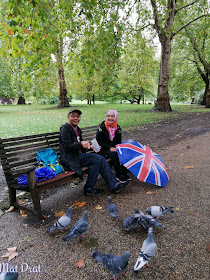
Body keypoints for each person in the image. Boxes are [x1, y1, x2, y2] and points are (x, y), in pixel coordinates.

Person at [59, 108, 130, 196]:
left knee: (98, 159)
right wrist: (80, 144)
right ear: (68, 117)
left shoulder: (77, 129)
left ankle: (99, 187)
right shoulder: (66, 129)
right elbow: (67, 147)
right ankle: (108, 185)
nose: (75, 118)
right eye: (72, 116)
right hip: (69, 159)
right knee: (97, 158)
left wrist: (89, 147)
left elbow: (79, 147)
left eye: (77, 116)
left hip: (77, 156)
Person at [96, 109, 131, 182]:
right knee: (115, 154)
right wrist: (109, 147)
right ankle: (119, 175)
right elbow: (98, 141)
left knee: (126, 152)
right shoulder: (102, 127)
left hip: (113, 148)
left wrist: (116, 147)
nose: (110, 118)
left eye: (112, 116)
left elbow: (118, 141)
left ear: (116, 117)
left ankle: (124, 172)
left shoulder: (117, 127)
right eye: (108, 116)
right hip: (103, 150)